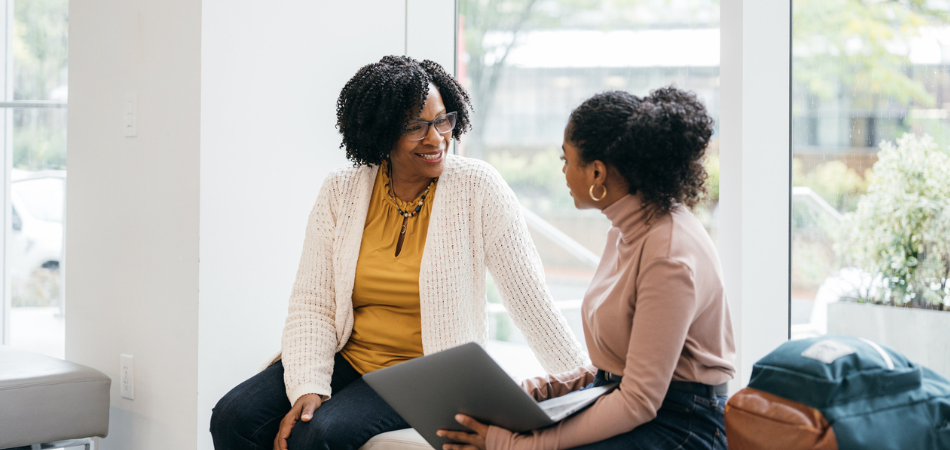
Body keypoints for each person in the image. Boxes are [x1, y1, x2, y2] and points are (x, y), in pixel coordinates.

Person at [209, 55, 587, 450]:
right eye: (415, 127)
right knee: (233, 417)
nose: (436, 137)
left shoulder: (477, 188)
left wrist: (584, 386)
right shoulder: (341, 192)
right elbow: (313, 302)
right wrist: (310, 384)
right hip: (349, 357)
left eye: (443, 120)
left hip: (426, 373)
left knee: (318, 434)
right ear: (380, 132)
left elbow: (529, 298)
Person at [439, 87, 736, 450]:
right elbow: (617, 367)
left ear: (597, 172)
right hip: (625, 397)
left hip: (682, 423)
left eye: (566, 159)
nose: (562, 171)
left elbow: (639, 401)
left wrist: (514, 445)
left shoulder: (668, 254)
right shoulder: (626, 230)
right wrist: (536, 392)